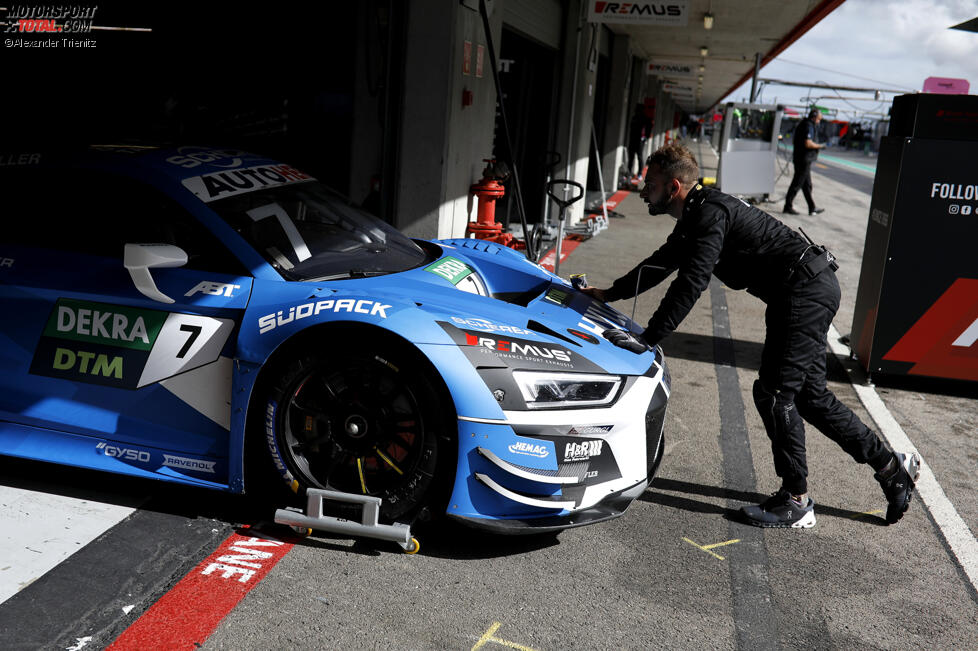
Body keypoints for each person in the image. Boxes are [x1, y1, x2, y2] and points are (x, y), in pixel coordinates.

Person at [582, 143, 919, 529]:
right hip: (802, 289)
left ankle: (796, 501)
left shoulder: (709, 213)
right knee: (809, 397)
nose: (644, 191)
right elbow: (662, 263)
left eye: (651, 184)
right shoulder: (698, 212)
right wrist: (609, 293)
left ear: (674, 187)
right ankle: (891, 470)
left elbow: (691, 282)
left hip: (803, 291)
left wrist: (650, 337)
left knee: (775, 395)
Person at [784, 108, 826, 216]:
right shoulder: (808, 125)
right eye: (818, 119)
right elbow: (808, 143)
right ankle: (787, 206)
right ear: (814, 117)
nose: (819, 122)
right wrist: (820, 146)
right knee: (797, 183)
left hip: (802, 159)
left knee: (807, 185)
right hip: (803, 159)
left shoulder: (805, 124)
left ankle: (812, 208)